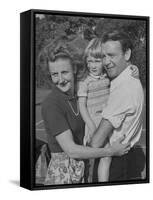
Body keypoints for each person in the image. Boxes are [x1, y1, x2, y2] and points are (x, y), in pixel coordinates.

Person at [41, 40, 131, 185]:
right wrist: (110, 151)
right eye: (54, 74)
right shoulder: (51, 104)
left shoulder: (80, 94)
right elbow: (71, 150)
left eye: (64, 72)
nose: (60, 80)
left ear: (75, 69)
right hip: (63, 175)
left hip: (83, 168)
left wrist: (131, 69)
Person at [77, 38, 139, 182]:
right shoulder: (84, 82)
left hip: (107, 123)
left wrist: (133, 68)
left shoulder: (108, 78)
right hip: (94, 124)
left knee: (106, 158)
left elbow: (123, 74)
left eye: (97, 61)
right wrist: (92, 127)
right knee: (102, 157)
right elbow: (82, 107)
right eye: (89, 61)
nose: (92, 65)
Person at [91, 30, 144, 182]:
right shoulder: (130, 79)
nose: (106, 62)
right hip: (121, 158)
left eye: (112, 55)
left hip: (112, 161)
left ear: (127, 54)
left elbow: (96, 143)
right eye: (103, 56)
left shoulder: (124, 88)